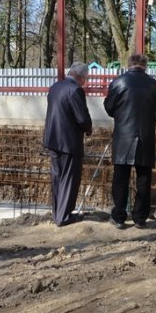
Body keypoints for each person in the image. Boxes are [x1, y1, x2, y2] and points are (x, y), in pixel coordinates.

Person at [103, 53, 156, 229]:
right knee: (144, 179)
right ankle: (140, 217)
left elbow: (109, 108)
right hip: (146, 135)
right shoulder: (154, 85)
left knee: (120, 178)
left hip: (123, 136)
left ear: (129, 64)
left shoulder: (118, 82)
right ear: (145, 65)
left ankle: (119, 216)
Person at [42, 62, 93, 227]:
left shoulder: (55, 87)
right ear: (81, 76)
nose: (85, 82)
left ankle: (58, 213)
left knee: (57, 178)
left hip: (53, 139)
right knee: (69, 179)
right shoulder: (75, 90)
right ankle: (64, 216)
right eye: (86, 78)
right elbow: (82, 117)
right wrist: (88, 128)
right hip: (69, 142)